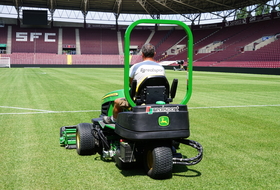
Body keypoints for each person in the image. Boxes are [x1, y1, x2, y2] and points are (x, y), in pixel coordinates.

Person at [103, 43, 165, 124]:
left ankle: (114, 120)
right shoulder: (161, 68)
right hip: (158, 99)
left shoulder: (136, 67)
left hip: (139, 100)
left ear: (142, 54)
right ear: (154, 54)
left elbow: (131, 83)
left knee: (117, 101)